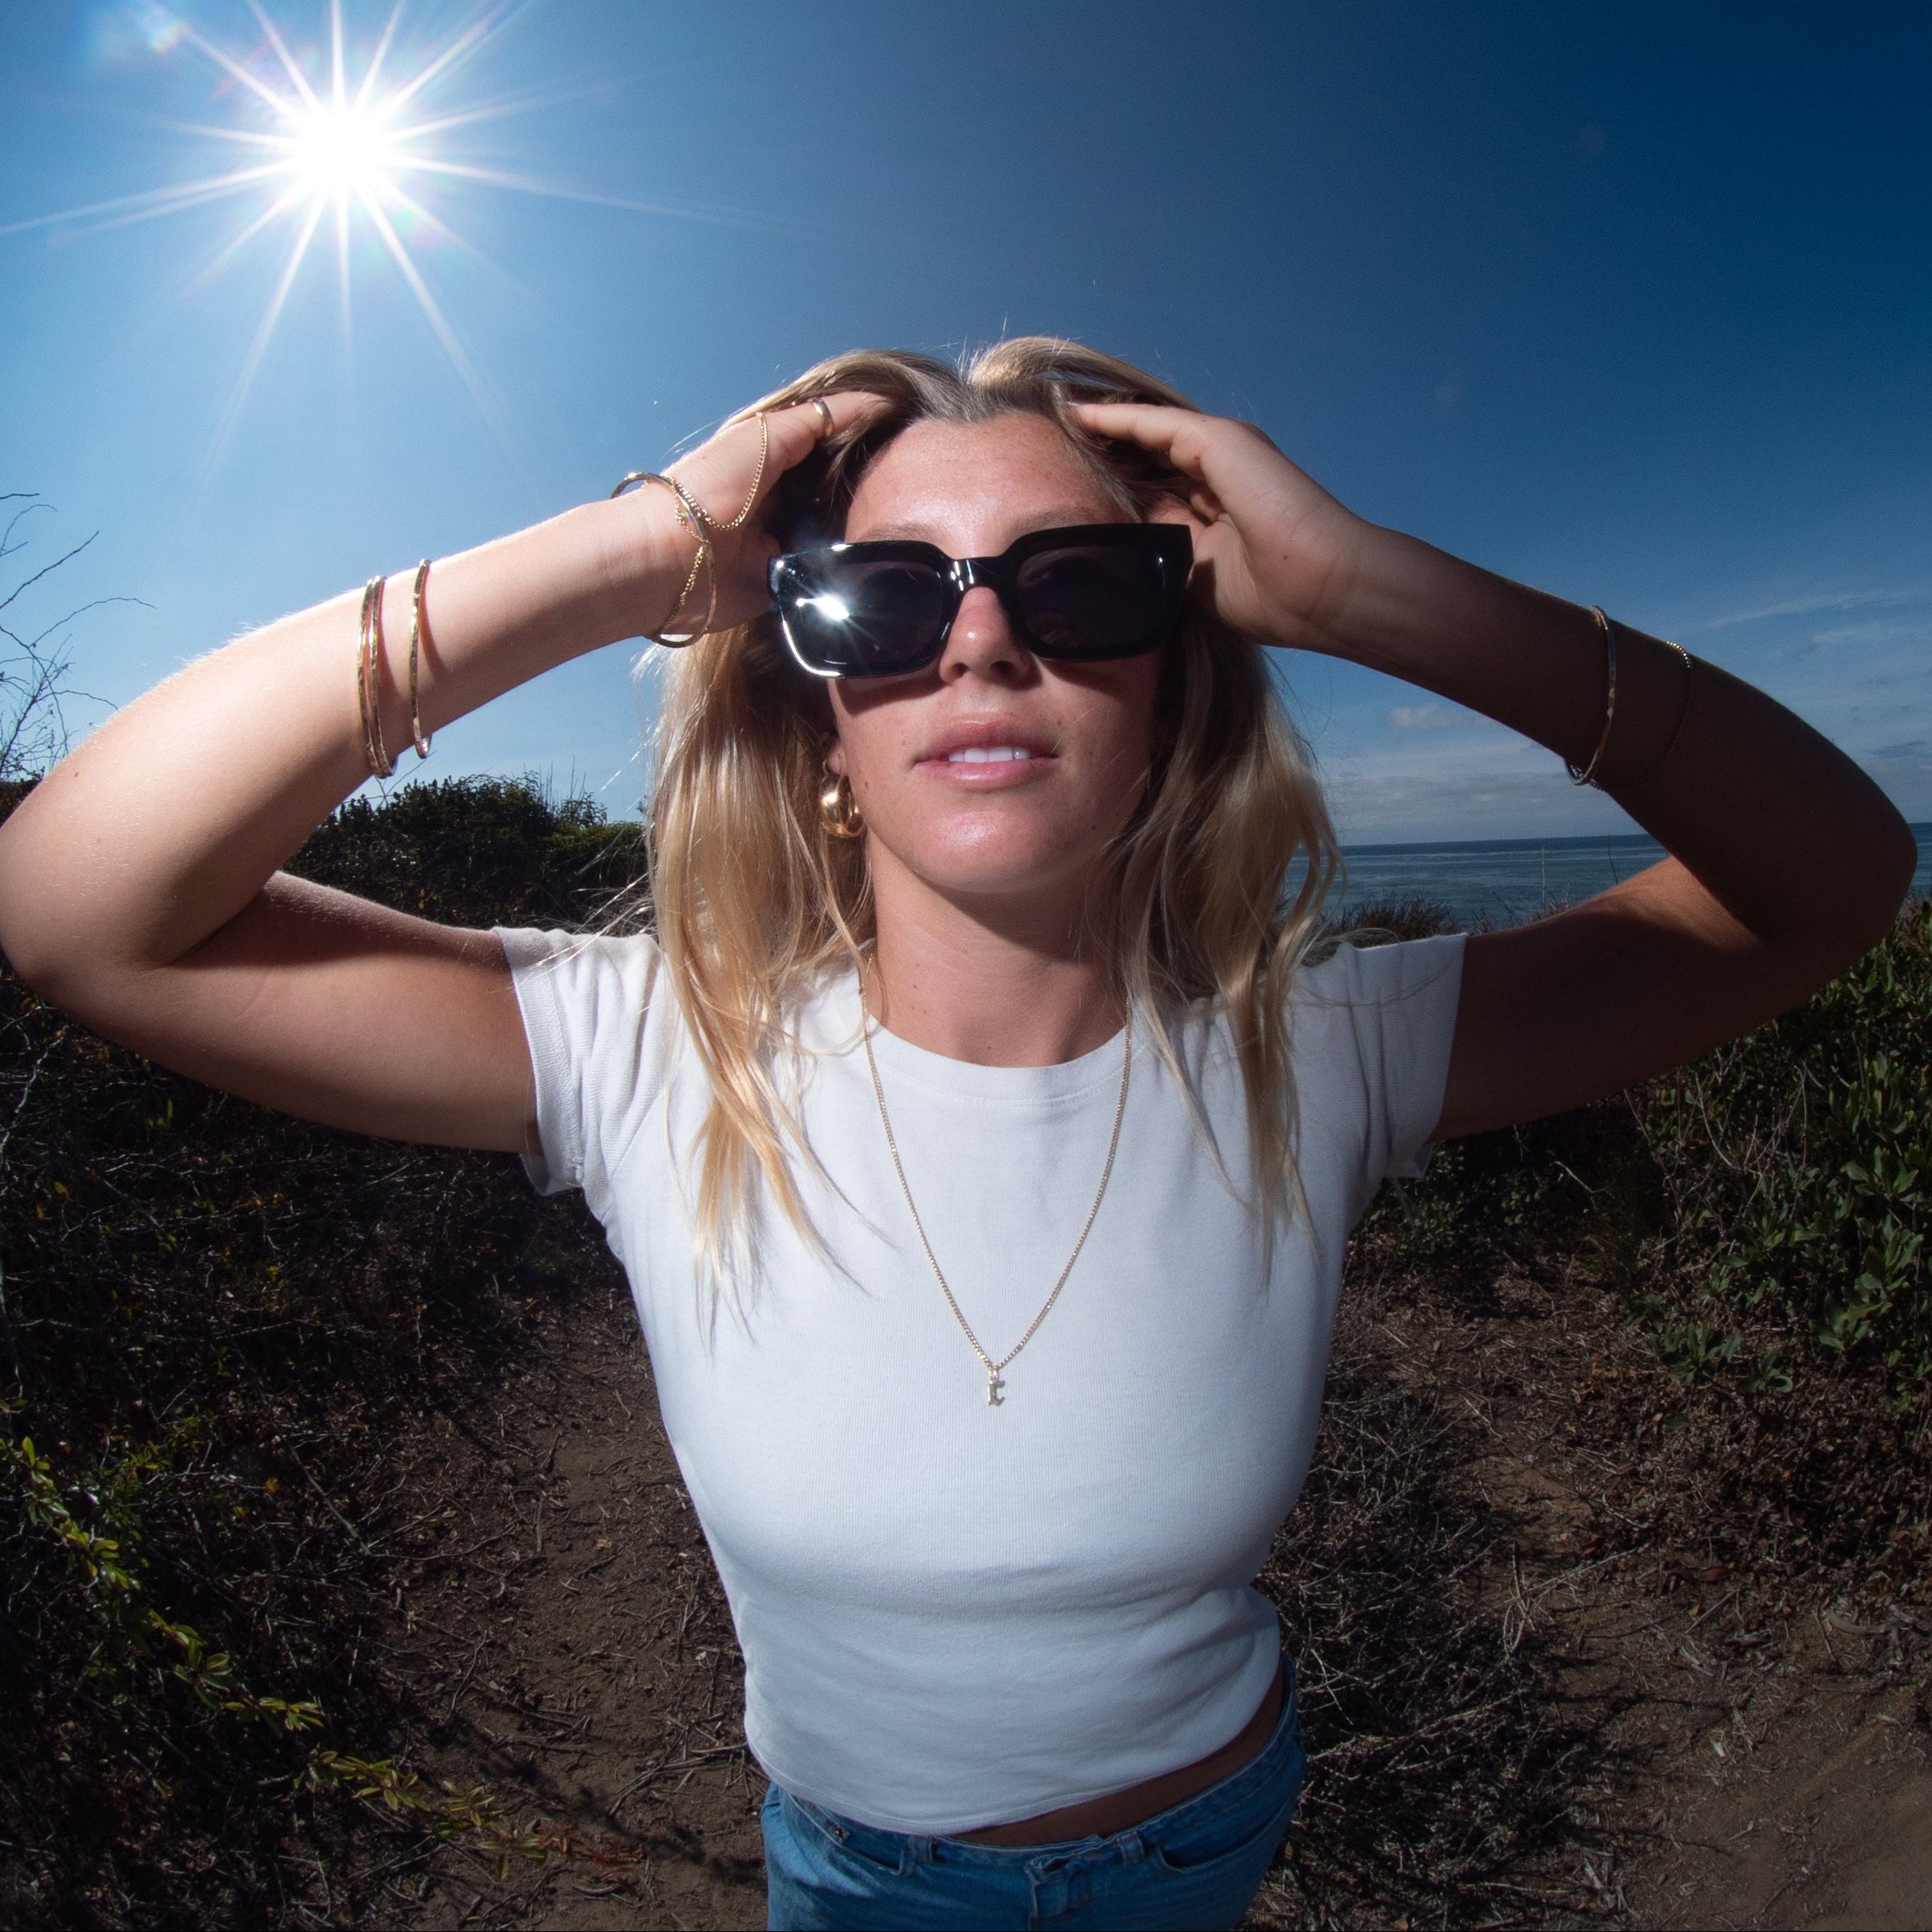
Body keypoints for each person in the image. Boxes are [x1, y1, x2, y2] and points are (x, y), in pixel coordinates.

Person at [0, 338, 1910, 1932]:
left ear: (1169, 703)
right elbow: (76, 905)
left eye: (1078, 590)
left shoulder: (1308, 1049)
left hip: (1207, 1832)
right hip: (855, 1875)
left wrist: (1360, 592)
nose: (980, 645)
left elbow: (1828, 875)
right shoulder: (654, 1049)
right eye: (882, 596)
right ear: (816, 716)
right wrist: (637, 552)